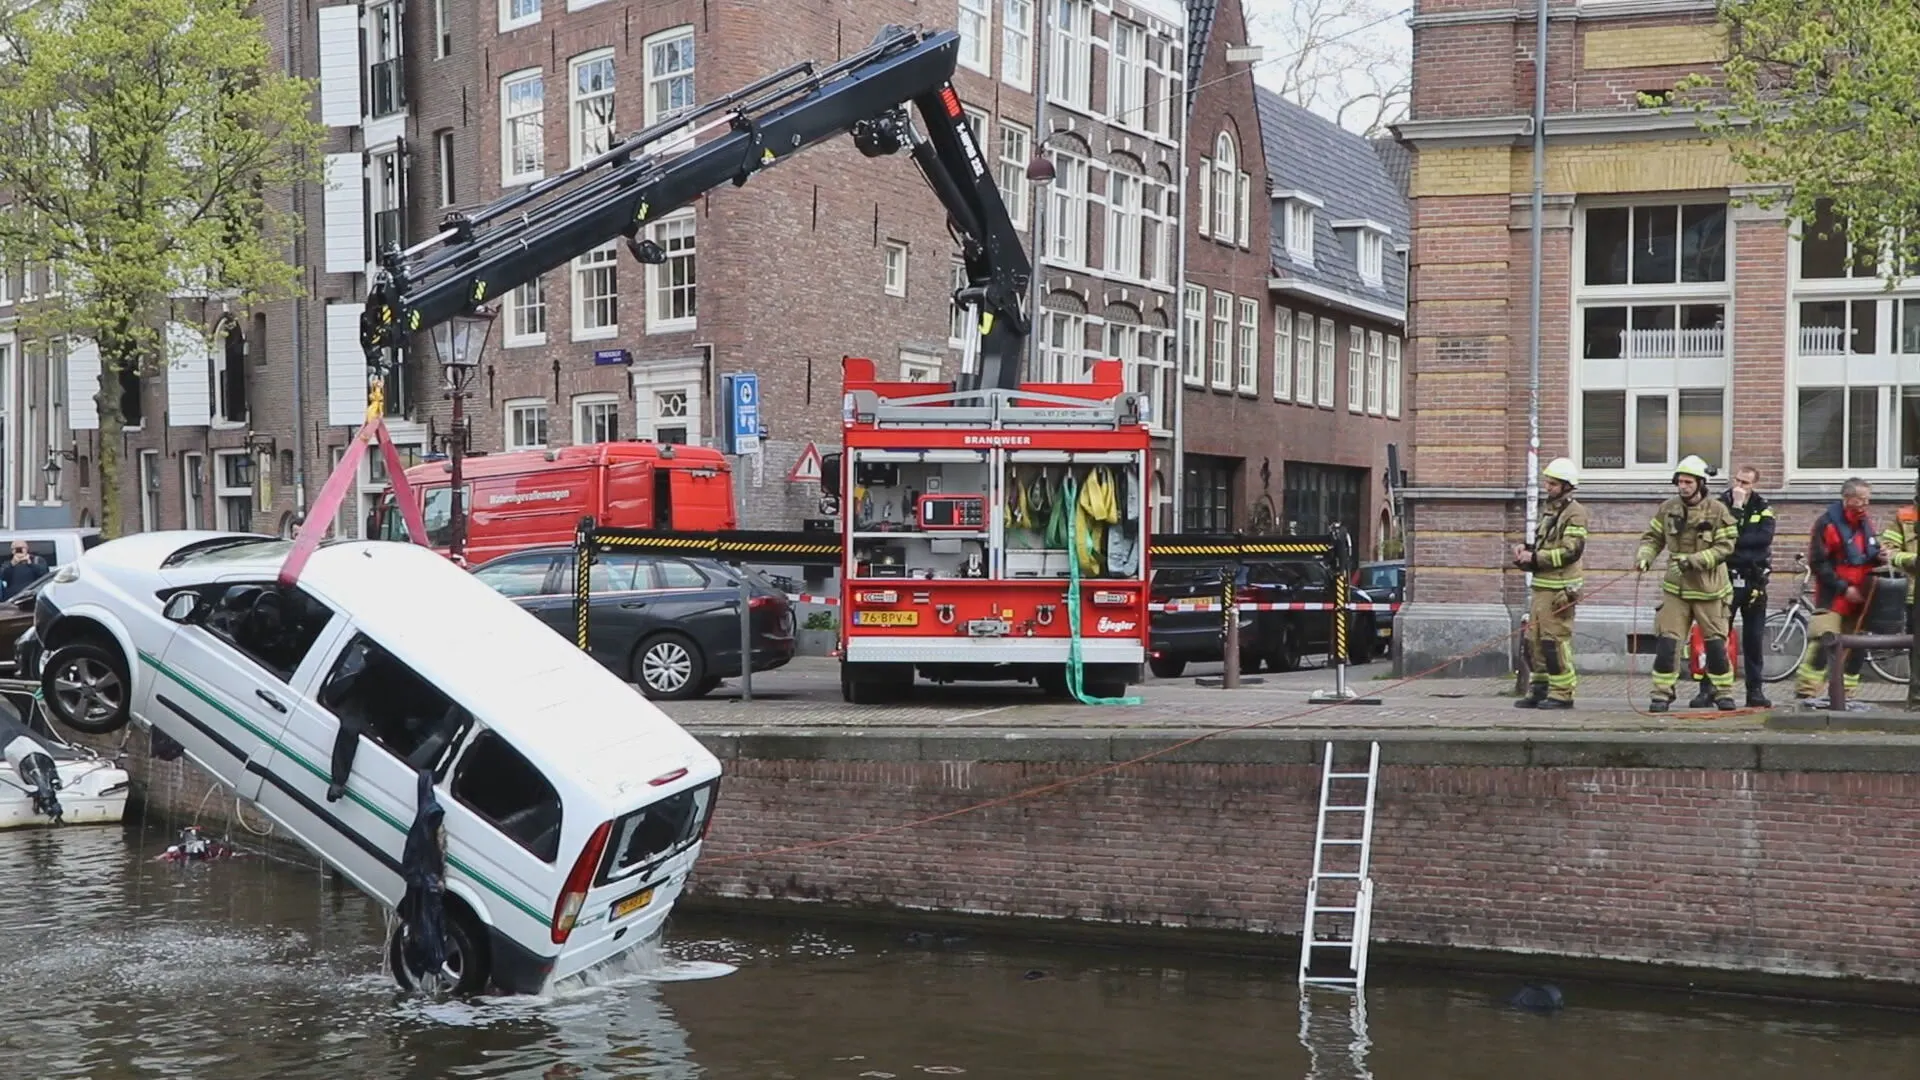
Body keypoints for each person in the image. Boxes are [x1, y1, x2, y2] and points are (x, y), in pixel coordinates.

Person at [1635, 455, 1738, 713]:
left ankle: (1722, 692)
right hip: (1676, 589)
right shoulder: (1668, 508)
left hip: (1709, 590)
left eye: (1688, 482)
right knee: (1667, 643)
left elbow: (1725, 547)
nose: (1683, 486)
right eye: (1680, 482)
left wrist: (1693, 560)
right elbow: (1653, 537)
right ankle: (1661, 694)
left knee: (1715, 644)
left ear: (1701, 483)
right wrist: (1645, 556)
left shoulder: (1718, 511)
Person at [1689, 466, 1776, 708]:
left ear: (1754, 484)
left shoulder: (1763, 507)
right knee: (1717, 636)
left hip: (1754, 580)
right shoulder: (1721, 504)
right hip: (1724, 578)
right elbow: (1720, 538)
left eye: (1745, 483)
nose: (1739, 486)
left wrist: (1738, 539)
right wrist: (1737, 513)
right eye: (1737, 480)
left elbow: (1764, 538)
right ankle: (1708, 690)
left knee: (1754, 639)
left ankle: (1755, 691)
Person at [1796, 478, 1887, 704]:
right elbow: (1818, 563)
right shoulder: (1826, 524)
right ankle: (1806, 693)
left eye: (1868, 498)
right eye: (1861, 499)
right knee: (1822, 641)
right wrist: (1844, 588)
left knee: (1856, 646)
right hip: (1834, 596)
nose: (1866, 503)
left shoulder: (1865, 523)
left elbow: (1868, 554)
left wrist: (1880, 556)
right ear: (1847, 499)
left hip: (1862, 595)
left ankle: (1846, 695)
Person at [1512, 457, 1587, 710]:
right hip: (1542, 586)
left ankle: (1563, 693)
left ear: (1567, 486)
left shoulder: (1575, 513)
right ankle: (1539, 687)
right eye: (1547, 482)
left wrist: (1534, 558)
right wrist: (1527, 552)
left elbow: (1570, 552)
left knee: (1554, 642)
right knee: (1533, 640)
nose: (1547, 487)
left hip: (1560, 589)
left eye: (1553, 484)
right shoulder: (1551, 509)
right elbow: (1546, 544)